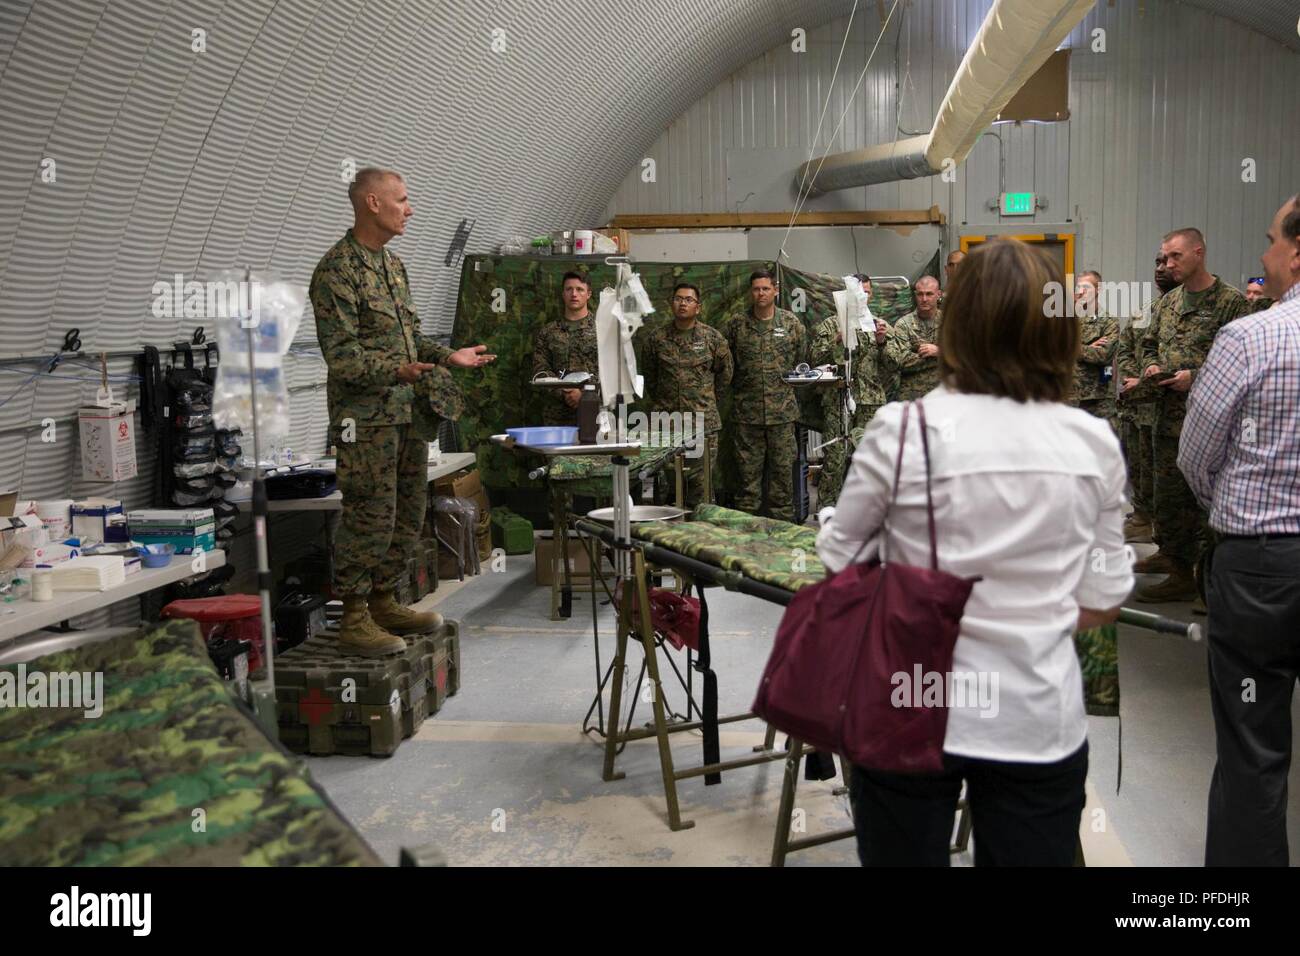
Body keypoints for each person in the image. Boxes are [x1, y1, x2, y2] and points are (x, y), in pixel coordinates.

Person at [818, 238, 1133, 866]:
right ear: (1059, 329)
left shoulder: (899, 431)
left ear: (954, 324)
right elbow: (1100, 603)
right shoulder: (1093, 444)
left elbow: (842, 564)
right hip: (1034, 717)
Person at [311, 167, 495, 657]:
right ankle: (353, 616)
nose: (409, 209)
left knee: (407, 515)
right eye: (403, 200)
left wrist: (446, 357)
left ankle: (384, 601)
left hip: (407, 416)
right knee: (370, 514)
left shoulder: (392, 265)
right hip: (365, 422)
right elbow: (343, 357)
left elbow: (412, 336)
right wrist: (398, 371)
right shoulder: (337, 271)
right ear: (372, 203)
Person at [1178, 194, 1300, 866]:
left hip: (1261, 568)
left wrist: (1234, 515)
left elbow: (1196, 457)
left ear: (1298, 251)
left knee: (1253, 744)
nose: (1263, 255)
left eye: (1271, 240)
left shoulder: (1250, 337)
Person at [1137, 228, 1249, 602]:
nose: (1167, 264)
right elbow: (1148, 342)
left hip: (1211, 423)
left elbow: (1243, 363)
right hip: (1167, 419)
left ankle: (1208, 582)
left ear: (1199, 253)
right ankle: (1179, 569)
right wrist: (1151, 367)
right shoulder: (1167, 304)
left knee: (1207, 505)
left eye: (1175, 257)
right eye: (1165, 257)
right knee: (1169, 498)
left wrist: (1195, 377)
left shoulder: (1231, 302)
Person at [638, 282, 733, 508]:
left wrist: (705, 401)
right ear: (671, 304)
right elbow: (651, 377)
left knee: (700, 486)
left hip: (703, 424)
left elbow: (725, 375)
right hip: (666, 424)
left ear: (698, 307)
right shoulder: (656, 339)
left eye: (688, 299)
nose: (683, 303)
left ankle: (699, 535)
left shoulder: (713, 339)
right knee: (666, 484)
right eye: (678, 298)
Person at [725, 270, 807, 523]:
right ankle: (746, 534)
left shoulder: (792, 324)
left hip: (782, 415)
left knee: (782, 479)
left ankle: (783, 529)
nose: (760, 294)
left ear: (776, 290)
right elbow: (727, 365)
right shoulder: (736, 325)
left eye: (765, 289)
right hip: (746, 415)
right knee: (747, 481)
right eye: (755, 289)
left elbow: (800, 361)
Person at [809, 274, 891, 508]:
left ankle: (871, 514)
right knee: (834, 460)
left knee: (870, 462)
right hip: (837, 401)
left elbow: (895, 364)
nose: (861, 297)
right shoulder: (830, 324)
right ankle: (827, 513)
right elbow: (815, 359)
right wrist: (837, 340)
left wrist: (883, 342)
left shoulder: (878, 324)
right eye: (857, 293)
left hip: (870, 401)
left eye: (866, 292)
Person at [1117, 253, 1177, 545]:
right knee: (1140, 466)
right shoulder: (1144, 312)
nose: (1160, 269)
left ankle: (1173, 542)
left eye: (1168, 262)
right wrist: (1134, 380)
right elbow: (1125, 349)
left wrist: (1146, 381)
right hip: (1141, 406)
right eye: (1157, 263)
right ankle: (1144, 517)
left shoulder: (1215, 305)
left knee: (1170, 477)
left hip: (1176, 409)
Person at [532, 272, 598, 426]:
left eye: (580, 289)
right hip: (557, 416)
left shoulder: (603, 330)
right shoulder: (549, 331)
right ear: (563, 294)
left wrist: (585, 393)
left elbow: (613, 370)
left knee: (595, 451)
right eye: (569, 289)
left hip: (595, 412)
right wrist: (565, 391)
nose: (574, 294)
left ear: (588, 294)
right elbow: (540, 370)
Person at [884, 275, 942, 401]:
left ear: (938, 294)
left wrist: (939, 352)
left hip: (942, 393)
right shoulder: (903, 324)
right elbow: (901, 361)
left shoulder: (950, 322)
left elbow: (963, 356)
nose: (924, 299)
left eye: (929, 294)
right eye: (920, 294)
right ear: (915, 295)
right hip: (912, 395)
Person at [1072, 270, 1118, 424]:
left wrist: (1074, 349)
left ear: (1099, 289)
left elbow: (1104, 355)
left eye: (1086, 287)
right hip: (1069, 396)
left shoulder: (1108, 322)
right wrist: (1089, 348)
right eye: (1078, 287)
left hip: (1098, 398)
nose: (1081, 291)